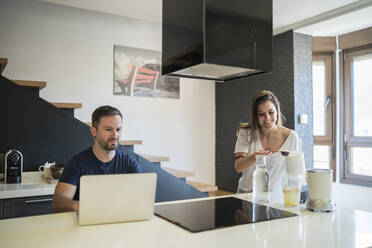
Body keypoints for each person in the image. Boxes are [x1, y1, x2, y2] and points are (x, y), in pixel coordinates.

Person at [52, 105, 142, 213]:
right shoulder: (77, 163)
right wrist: (85, 206)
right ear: (94, 131)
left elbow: (139, 201)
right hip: (86, 225)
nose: (115, 135)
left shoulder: (130, 164)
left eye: (118, 129)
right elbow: (58, 203)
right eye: (108, 129)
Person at [234, 90, 302, 193]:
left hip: (276, 197)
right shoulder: (245, 133)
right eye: (261, 114)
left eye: (271, 112)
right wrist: (254, 158)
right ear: (255, 116)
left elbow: (295, 173)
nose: (267, 118)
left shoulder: (291, 137)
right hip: (246, 194)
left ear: (277, 111)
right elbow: (238, 167)